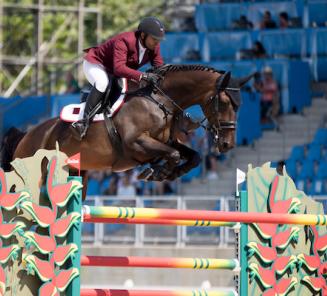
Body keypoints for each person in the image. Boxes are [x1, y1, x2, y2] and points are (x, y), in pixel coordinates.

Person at [72, 16, 165, 139]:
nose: (157, 43)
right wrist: (143, 75)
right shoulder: (124, 40)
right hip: (96, 64)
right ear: (143, 35)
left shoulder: (153, 46)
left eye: (158, 40)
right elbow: (119, 68)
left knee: (126, 88)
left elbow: (159, 65)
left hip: (114, 71)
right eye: (154, 39)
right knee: (102, 83)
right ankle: (83, 123)